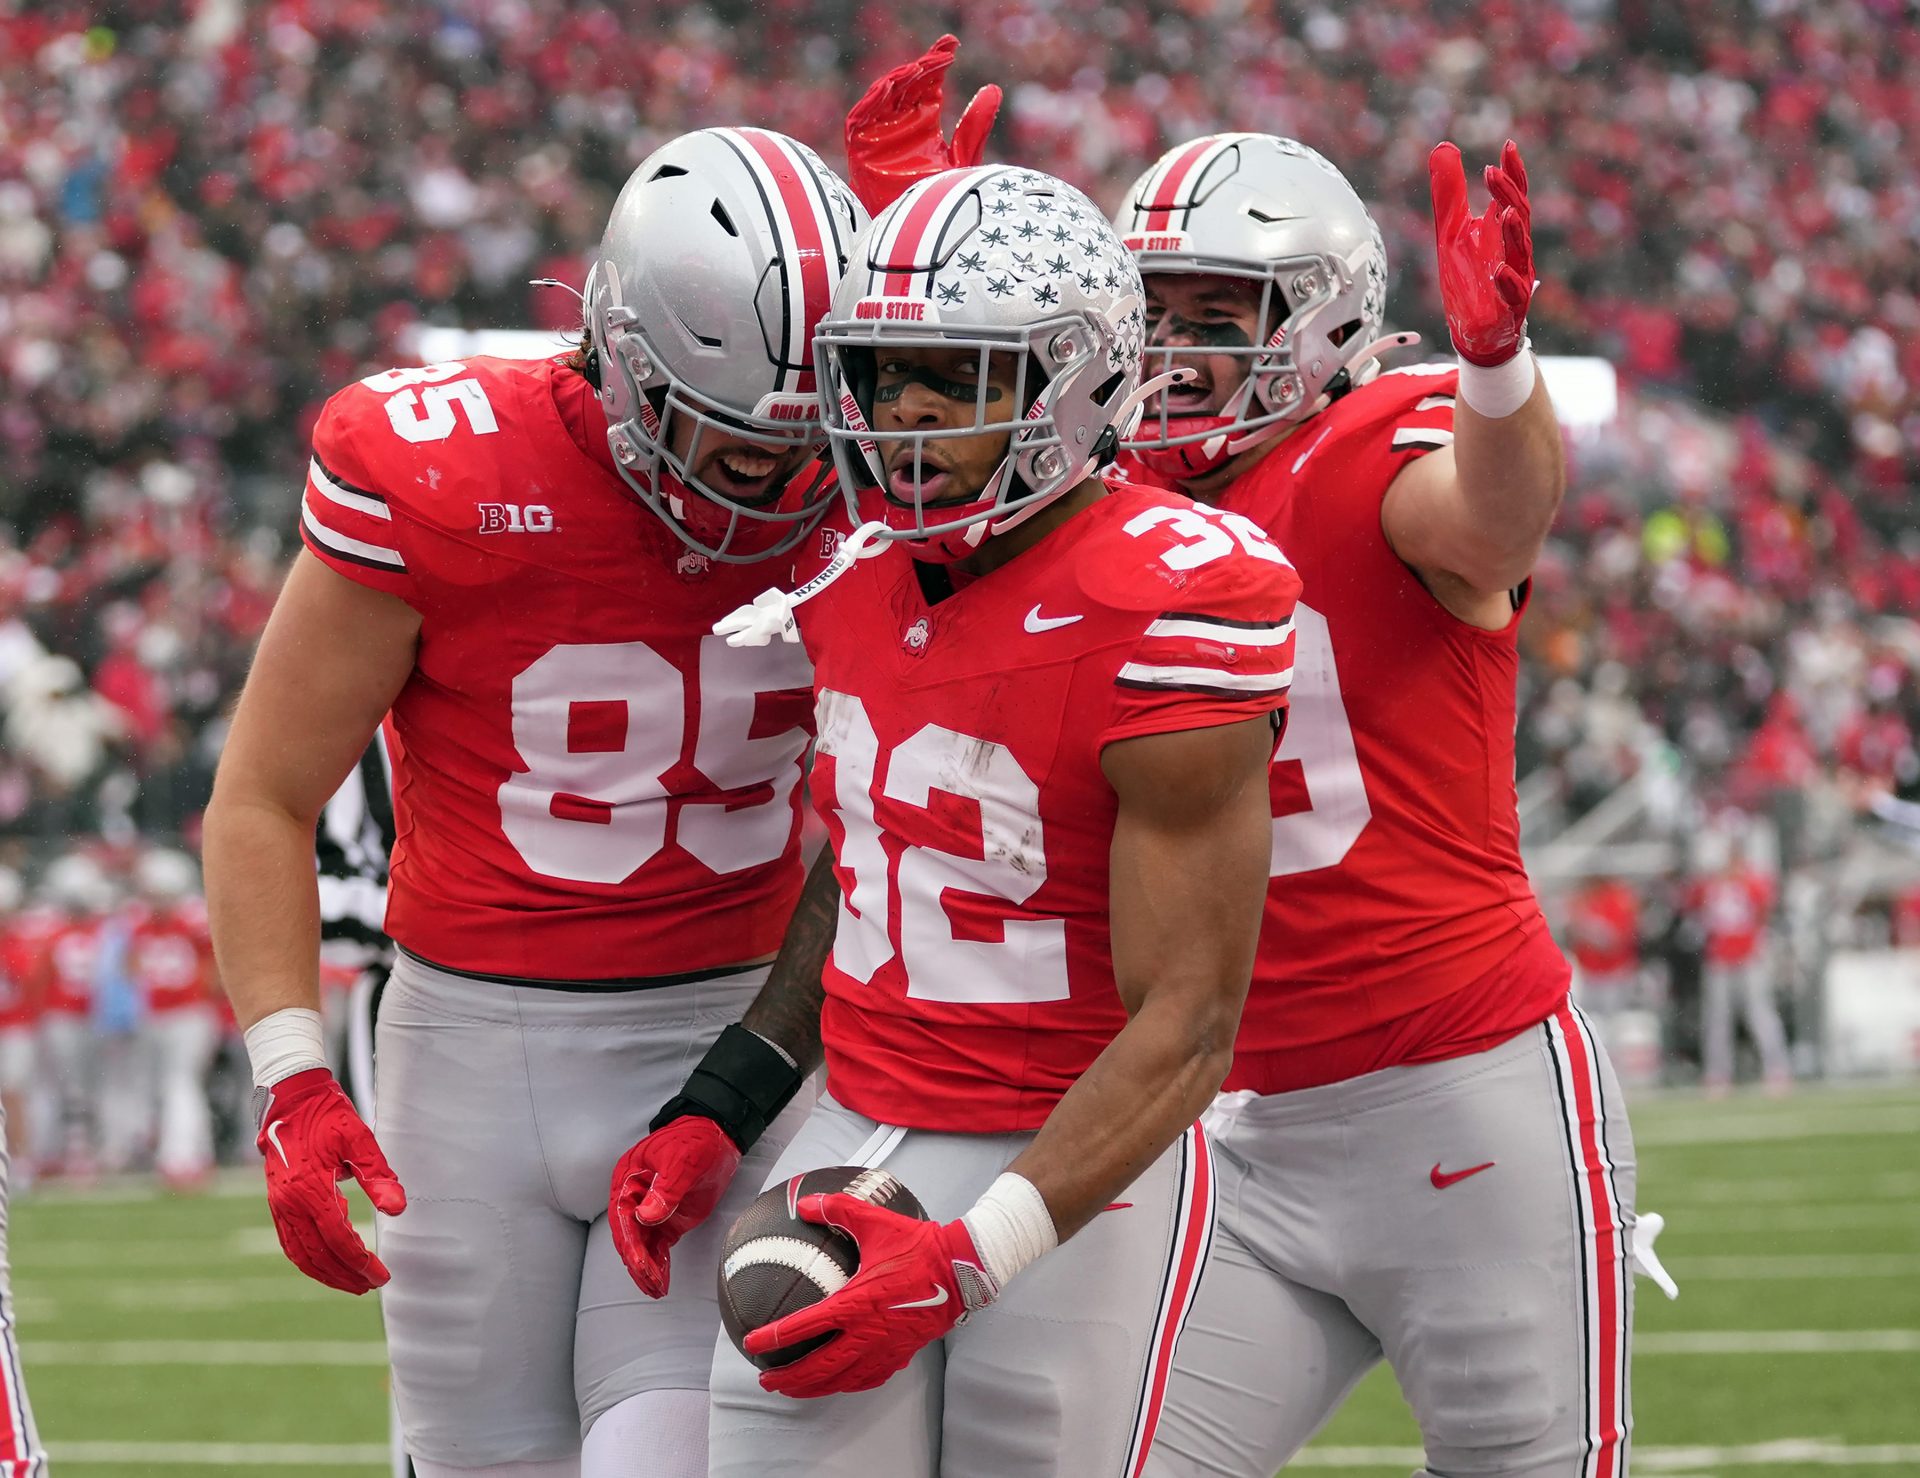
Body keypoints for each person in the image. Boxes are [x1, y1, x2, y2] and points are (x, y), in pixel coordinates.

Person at [608, 163, 1301, 1476]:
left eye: (957, 377)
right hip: (856, 1122)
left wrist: (974, 1255)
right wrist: (727, 1100)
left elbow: (1190, 1022)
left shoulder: (1172, 600)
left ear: (1073, 383)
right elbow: (872, 865)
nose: (907, 415)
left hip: (1078, 1164)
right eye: (885, 377)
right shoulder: (848, 567)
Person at [203, 127, 866, 1478]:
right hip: (469, 1058)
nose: (774, 477)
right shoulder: (445, 471)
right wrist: (290, 1073)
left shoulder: (871, 480)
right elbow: (263, 793)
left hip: (729, 1035)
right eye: (734, 434)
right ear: (619, 351)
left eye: (805, 437)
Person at [1106, 134, 1643, 1477]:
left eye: (1216, 314)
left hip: (1456, 1090)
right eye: (1151, 309)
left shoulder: (1366, 443)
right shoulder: (1105, 504)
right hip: (1230, 1116)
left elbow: (1493, 523)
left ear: (1322, 318)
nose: (1172, 348)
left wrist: (1497, 366)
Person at [126, 849, 220, 1190]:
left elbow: (214, 970)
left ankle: (179, 1157)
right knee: (180, 1084)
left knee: (179, 1083)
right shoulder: (148, 923)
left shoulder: (191, 920)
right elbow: (132, 967)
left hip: (188, 1013)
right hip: (163, 1013)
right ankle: (197, 1152)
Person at [1688, 836, 1791, 1094]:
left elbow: (1764, 909)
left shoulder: (1751, 881)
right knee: (1717, 1018)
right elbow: (1695, 908)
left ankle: (1776, 1068)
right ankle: (1718, 1073)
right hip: (1719, 957)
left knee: (1760, 1013)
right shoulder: (1710, 885)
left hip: (1748, 956)